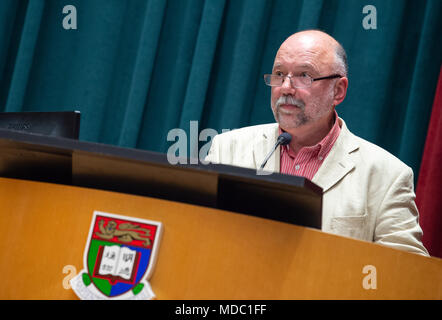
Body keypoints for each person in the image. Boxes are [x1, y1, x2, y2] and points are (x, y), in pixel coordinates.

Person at [205, 30, 429, 256]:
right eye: (279, 74)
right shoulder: (227, 149)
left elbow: (406, 274)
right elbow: (198, 236)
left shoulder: (387, 176)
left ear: (338, 91)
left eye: (304, 76)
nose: (286, 87)